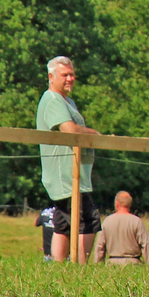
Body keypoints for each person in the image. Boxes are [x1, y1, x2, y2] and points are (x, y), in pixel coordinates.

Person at [36, 56, 102, 262]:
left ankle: (59, 265)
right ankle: (79, 268)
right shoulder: (52, 100)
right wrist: (95, 134)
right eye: (65, 75)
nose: (70, 79)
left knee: (64, 223)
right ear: (51, 77)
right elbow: (69, 130)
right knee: (88, 220)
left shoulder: (66, 101)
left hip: (75, 175)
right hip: (66, 176)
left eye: (72, 74)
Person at [92, 191, 149, 266]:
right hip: (133, 264)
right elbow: (146, 245)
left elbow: (100, 246)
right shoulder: (136, 221)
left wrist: (97, 264)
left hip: (112, 264)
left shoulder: (107, 221)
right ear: (130, 205)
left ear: (117, 204)